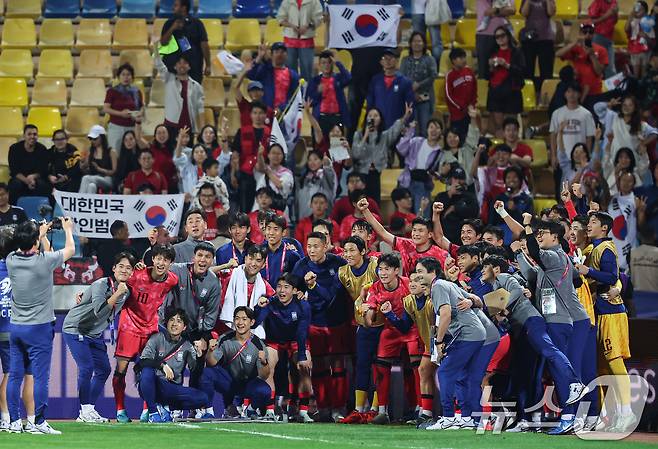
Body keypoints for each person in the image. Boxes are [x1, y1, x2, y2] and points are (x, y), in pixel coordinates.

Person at [480, 256, 589, 428]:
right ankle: (526, 420)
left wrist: (502, 307)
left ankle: (574, 382)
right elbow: (505, 318)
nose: (482, 270)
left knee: (548, 351)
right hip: (521, 329)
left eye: (485, 267)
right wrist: (502, 317)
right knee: (525, 375)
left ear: (496, 269)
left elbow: (516, 291)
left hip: (532, 321)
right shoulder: (493, 288)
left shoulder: (505, 278)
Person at [6, 217, 76, 434]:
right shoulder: (43, 261)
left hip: (16, 327)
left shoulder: (10, 259)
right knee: (40, 376)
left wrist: (40, 235)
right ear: (35, 243)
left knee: (14, 374)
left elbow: (28, 248)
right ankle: (38, 422)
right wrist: (67, 229)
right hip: (39, 328)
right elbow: (70, 249)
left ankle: (14, 422)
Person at [575, 212, 634, 432]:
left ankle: (627, 412)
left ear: (605, 228)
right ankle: (608, 413)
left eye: (593, 223)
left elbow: (611, 276)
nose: (588, 226)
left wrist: (587, 271)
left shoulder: (605, 249)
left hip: (612, 312)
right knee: (601, 366)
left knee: (614, 361)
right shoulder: (595, 248)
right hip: (600, 311)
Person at [62, 252, 136, 423]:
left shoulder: (126, 290)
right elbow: (99, 312)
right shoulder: (101, 285)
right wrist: (117, 294)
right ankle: (85, 410)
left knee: (104, 370)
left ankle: (89, 409)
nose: (124, 270)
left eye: (129, 268)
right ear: (114, 268)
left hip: (94, 333)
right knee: (87, 368)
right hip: (76, 328)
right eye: (121, 266)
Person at [112, 244, 178, 423]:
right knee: (121, 371)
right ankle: (120, 410)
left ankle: (147, 409)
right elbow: (116, 281)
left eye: (166, 259)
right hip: (129, 327)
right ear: (153, 258)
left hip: (151, 330)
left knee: (149, 370)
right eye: (158, 258)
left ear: (170, 262)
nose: (161, 262)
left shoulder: (172, 280)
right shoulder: (137, 275)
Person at [292, 231, 349, 420]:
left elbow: (332, 295)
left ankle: (339, 409)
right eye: (309, 246)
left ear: (326, 246)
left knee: (338, 367)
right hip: (314, 323)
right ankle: (324, 408)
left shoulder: (339, 264)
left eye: (316, 246)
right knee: (319, 368)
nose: (312, 250)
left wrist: (314, 287)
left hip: (336, 322)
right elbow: (292, 291)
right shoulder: (300, 266)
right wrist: (299, 294)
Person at [365, 254, 417, 425]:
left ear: (396, 270)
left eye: (387, 269)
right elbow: (369, 319)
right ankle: (382, 411)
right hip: (390, 329)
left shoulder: (408, 284)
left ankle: (418, 410)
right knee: (380, 366)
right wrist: (367, 312)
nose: (383, 273)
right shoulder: (374, 288)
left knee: (415, 367)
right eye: (380, 269)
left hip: (412, 328)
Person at [254, 273, 313, 422]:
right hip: (275, 341)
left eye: (286, 287)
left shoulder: (303, 305)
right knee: (266, 365)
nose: (282, 290)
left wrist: (301, 356)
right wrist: (258, 307)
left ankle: (304, 410)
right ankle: (269, 410)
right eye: (279, 286)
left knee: (304, 367)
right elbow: (255, 323)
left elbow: (301, 331)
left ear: (294, 290)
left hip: (296, 341)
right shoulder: (270, 302)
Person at [164, 242, 220, 396]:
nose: (203, 260)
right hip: (174, 328)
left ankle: (195, 407)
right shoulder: (178, 270)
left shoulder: (213, 282)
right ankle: (171, 406)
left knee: (198, 368)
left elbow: (211, 313)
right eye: (200, 255)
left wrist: (204, 338)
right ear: (193, 257)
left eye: (208, 257)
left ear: (212, 261)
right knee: (173, 367)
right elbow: (159, 272)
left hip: (196, 330)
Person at [337, 236, 381, 424]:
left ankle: (376, 408)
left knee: (379, 366)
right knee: (362, 365)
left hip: (382, 324)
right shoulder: (342, 272)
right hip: (362, 325)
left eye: (352, 250)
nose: (348, 254)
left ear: (363, 251)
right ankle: (358, 409)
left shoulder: (376, 266)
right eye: (345, 251)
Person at [137, 307, 207, 423]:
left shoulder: (187, 346)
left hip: (172, 389)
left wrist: (200, 357)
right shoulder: (157, 338)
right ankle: (153, 412)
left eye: (179, 321)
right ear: (167, 323)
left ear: (184, 327)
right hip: (154, 384)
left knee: (202, 398)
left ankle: (166, 408)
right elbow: (143, 361)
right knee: (147, 371)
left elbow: (195, 371)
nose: (174, 324)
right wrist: (162, 365)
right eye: (171, 320)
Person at [200, 306, 271, 419]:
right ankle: (208, 411)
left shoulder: (258, 344)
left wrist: (264, 362)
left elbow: (264, 375)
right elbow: (211, 363)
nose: (240, 322)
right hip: (228, 382)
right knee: (206, 373)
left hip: (248, 384)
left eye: (244, 319)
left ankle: (251, 409)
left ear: (251, 322)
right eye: (237, 318)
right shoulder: (225, 339)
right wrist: (210, 351)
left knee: (265, 391)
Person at [0, 227, 35, 433]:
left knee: (10, 374)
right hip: (13, 329)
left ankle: (5, 418)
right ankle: (7, 418)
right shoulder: (21, 266)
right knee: (12, 374)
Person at [358, 197, 448, 275]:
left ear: (430, 234)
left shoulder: (441, 254)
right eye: (414, 230)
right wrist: (365, 210)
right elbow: (383, 232)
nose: (416, 234)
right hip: (407, 292)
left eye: (420, 231)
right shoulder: (406, 245)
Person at [352, 104, 413, 203]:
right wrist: (365, 135)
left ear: (380, 119)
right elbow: (356, 154)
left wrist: (406, 116)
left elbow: (395, 130)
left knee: (375, 203)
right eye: (370, 115)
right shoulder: (358, 135)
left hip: (378, 173)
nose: (372, 118)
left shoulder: (384, 136)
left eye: (376, 116)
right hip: (362, 173)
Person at [220, 245, 274, 340]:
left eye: (258, 260)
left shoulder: (264, 285)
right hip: (225, 328)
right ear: (245, 259)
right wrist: (225, 265)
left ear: (264, 264)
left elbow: (276, 299)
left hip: (251, 331)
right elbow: (208, 273)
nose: (253, 263)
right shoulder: (231, 276)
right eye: (251, 258)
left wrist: (265, 301)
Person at [549, 82, 596, 188]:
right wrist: (553, 155)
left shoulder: (586, 114)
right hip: (563, 159)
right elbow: (553, 136)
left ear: (579, 94)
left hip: (580, 159)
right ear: (565, 94)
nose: (571, 94)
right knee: (561, 189)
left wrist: (587, 157)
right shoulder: (557, 113)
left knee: (581, 189)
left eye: (574, 91)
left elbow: (589, 138)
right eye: (568, 91)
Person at [484, 26, 526, 136]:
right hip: (496, 92)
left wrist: (506, 65)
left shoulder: (517, 52)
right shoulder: (492, 53)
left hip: (512, 92)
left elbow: (522, 71)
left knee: (511, 126)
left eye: (502, 35)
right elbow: (486, 75)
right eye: (497, 37)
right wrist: (491, 67)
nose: (500, 39)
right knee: (499, 127)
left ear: (508, 36)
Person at [154, 50, 205, 139]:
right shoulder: (169, 78)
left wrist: (203, 129)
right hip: (171, 124)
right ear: (175, 66)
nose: (182, 65)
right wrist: (155, 45)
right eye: (179, 63)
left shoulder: (196, 86)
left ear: (189, 66)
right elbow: (159, 64)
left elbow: (200, 109)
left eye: (185, 63)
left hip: (188, 125)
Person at [396, 118, 443, 214]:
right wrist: (409, 132)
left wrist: (436, 175)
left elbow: (439, 172)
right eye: (431, 127)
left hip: (423, 184)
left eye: (437, 128)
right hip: (407, 180)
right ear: (427, 129)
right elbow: (401, 148)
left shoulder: (440, 151)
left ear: (441, 131)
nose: (433, 130)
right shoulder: (417, 141)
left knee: (422, 216)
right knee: (403, 215)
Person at [232, 102, 272, 213]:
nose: (258, 116)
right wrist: (233, 173)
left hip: (264, 174)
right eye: (255, 113)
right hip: (246, 175)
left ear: (265, 115)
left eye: (261, 113)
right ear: (250, 115)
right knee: (245, 208)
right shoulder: (242, 131)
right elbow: (235, 154)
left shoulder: (271, 133)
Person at [160, 0, 211, 83]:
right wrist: (172, 28)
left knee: (193, 93)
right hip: (172, 68)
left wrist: (208, 65)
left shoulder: (197, 24)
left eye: (176, 5)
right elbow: (163, 43)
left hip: (193, 68)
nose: (173, 8)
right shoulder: (169, 23)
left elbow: (204, 45)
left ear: (183, 8)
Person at [556, 21, 608, 103]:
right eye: (585, 32)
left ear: (593, 34)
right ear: (580, 33)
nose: (587, 34)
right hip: (577, 91)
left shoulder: (601, 50)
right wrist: (574, 43)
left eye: (590, 32)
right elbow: (558, 54)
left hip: (595, 92)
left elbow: (599, 72)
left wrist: (592, 55)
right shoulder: (575, 48)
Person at [400, 32, 438, 136]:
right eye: (414, 41)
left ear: (424, 44)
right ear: (410, 44)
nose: (417, 43)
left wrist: (419, 85)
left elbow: (433, 76)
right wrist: (412, 90)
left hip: (426, 99)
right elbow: (402, 77)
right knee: (411, 130)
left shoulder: (430, 59)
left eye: (419, 41)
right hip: (409, 100)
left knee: (425, 130)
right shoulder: (405, 60)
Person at [366, 49, 415, 130]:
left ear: (397, 61)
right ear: (381, 62)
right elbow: (370, 104)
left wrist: (406, 125)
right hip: (379, 128)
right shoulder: (375, 80)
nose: (388, 61)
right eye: (385, 58)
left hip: (398, 128)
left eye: (391, 58)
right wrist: (370, 126)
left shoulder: (405, 82)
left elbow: (410, 107)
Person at [306, 50, 352, 136]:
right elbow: (309, 102)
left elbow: (349, 78)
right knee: (319, 147)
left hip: (337, 118)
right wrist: (318, 92)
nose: (326, 65)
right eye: (323, 63)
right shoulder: (315, 81)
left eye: (329, 62)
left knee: (338, 147)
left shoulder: (338, 78)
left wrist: (338, 63)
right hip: (320, 118)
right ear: (319, 65)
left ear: (332, 64)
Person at [276, 0, 324, 82]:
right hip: (289, 40)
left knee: (307, 73)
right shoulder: (287, 1)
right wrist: (291, 26)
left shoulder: (314, 1)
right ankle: (293, 93)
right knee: (290, 73)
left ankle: (306, 93)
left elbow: (319, 18)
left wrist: (308, 26)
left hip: (307, 40)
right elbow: (280, 18)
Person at [103, 63, 144, 152]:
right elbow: (106, 108)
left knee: (132, 153)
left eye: (128, 75)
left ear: (132, 77)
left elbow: (141, 108)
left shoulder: (137, 92)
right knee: (115, 152)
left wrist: (137, 114)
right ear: (118, 77)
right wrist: (121, 114)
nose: (126, 77)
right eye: (123, 74)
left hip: (132, 128)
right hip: (116, 127)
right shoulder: (112, 91)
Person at [247, 42, 300, 111]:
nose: (279, 54)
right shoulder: (265, 71)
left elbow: (296, 97)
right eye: (277, 52)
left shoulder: (293, 75)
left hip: (285, 114)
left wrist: (282, 108)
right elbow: (251, 75)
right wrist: (259, 57)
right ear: (271, 55)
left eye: (282, 52)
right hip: (266, 112)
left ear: (287, 55)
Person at [433, 168, 480, 244]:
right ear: (451, 179)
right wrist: (450, 194)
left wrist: (455, 208)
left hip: (463, 238)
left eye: (461, 179)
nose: (458, 181)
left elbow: (475, 212)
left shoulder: (469, 196)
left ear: (464, 181)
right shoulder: (441, 196)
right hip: (444, 236)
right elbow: (435, 215)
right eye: (455, 178)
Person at [7, 125, 51, 205]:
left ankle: (42, 210)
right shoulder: (14, 149)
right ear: (24, 136)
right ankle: (13, 211)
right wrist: (27, 181)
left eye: (34, 134)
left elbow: (43, 170)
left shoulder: (42, 149)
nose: (32, 137)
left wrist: (33, 177)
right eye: (29, 134)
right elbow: (14, 170)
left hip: (36, 178)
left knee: (43, 185)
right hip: (20, 177)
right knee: (16, 184)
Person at [489, 167, 534, 244]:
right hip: (499, 233)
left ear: (520, 180)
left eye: (515, 177)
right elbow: (492, 220)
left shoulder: (527, 199)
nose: (511, 180)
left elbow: (528, 221)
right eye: (508, 177)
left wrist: (515, 209)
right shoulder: (499, 198)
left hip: (519, 234)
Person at [520, 0, 556, 91]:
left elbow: (551, 12)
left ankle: (545, 95)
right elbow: (524, 13)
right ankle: (528, 94)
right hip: (529, 38)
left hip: (546, 38)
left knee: (546, 71)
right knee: (527, 70)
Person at [475, 0, 516, 78]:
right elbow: (487, 12)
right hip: (484, 35)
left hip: (504, 33)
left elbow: (512, 10)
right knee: (484, 71)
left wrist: (495, 10)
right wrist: (500, 11)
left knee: (505, 69)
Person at [261, 214, 303, 287]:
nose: (271, 233)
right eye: (269, 228)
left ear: (283, 232)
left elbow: (298, 280)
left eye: (276, 229)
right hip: (262, 296)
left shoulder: (292, 255)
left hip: (283, 296)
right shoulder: (259, 252)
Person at [445, 48, 478, 140]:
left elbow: (474, 90)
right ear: (453, 61)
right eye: (461, 58)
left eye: (464, 57)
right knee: (457, 139)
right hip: (457, 115)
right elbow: (448, 96)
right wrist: (461, 107)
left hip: (470, 113)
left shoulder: (469, 71)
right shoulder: (450, 75)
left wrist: (473, 104)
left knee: (470, 138)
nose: (464, 60)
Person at [296, 150, 337, 219]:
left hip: (324, 219)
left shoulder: (326, 176)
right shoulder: (304, 178)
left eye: (315, 159)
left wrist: (327, 165)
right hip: (305, 219)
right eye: (310, 160)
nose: (312, 162)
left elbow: (330, 174)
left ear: (321, 161)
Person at [253, 143, 294, 212]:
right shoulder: (263, 169)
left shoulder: (287, 173)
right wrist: (260, 154)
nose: (276, 156)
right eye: (273, 153)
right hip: (259, 208)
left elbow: (280, 185)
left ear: (283, 156)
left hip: (278, 209)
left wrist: (268, 171)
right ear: (268, 155)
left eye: (278, 154)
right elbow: (260, 166)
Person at [79, 125, 118, 194]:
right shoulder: (91, 151)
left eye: (95, 138)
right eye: (91, 139)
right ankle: (88, 204)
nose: (92, 141)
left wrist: (99, 169)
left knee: (86, 178)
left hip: (108, 179)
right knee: (91, 186)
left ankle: (78, 201)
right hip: (94, 177)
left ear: (102, 138)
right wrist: (81, 162)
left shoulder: (111, 151)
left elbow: (114, 171)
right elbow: (84, 166)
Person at [587, 0, 619, 78]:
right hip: (598, 36)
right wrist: (608, 15)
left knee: (610, 68)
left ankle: (610, 88)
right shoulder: (597, 2)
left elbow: (614, 21)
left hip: (609, 38)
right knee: (595, 65)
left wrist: (615, 15)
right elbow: (592, 20)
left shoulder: (614, 2)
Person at [626, 0, 655, 77]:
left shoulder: (649, 22)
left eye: (640, 9)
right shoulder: (632, 22)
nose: (637, 10)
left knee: (643, 75)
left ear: (645, 12)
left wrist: (645, 36)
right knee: (635, 75)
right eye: (636, 8)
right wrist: (630, 17)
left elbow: (652, 42)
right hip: (634, 50)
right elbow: (626, 30)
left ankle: (642, 86)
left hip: (646, 51)